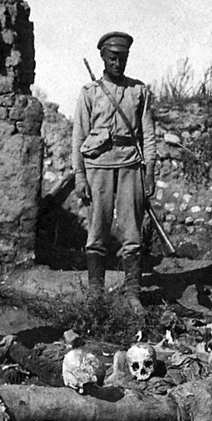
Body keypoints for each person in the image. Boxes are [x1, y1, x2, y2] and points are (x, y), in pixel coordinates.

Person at [71, 31, 156, 313]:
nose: (118, 63)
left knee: (132, 232)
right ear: (103, 58)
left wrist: (150, 172)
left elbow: (149, 136)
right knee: (97, 231)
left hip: (131, 165)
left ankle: (133, 294)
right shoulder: (89, 93)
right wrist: (80, 176)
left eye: (123, 58)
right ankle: (95, 294)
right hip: (97, 166)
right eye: (113, 57)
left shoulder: (138, 92)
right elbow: (78, 136)